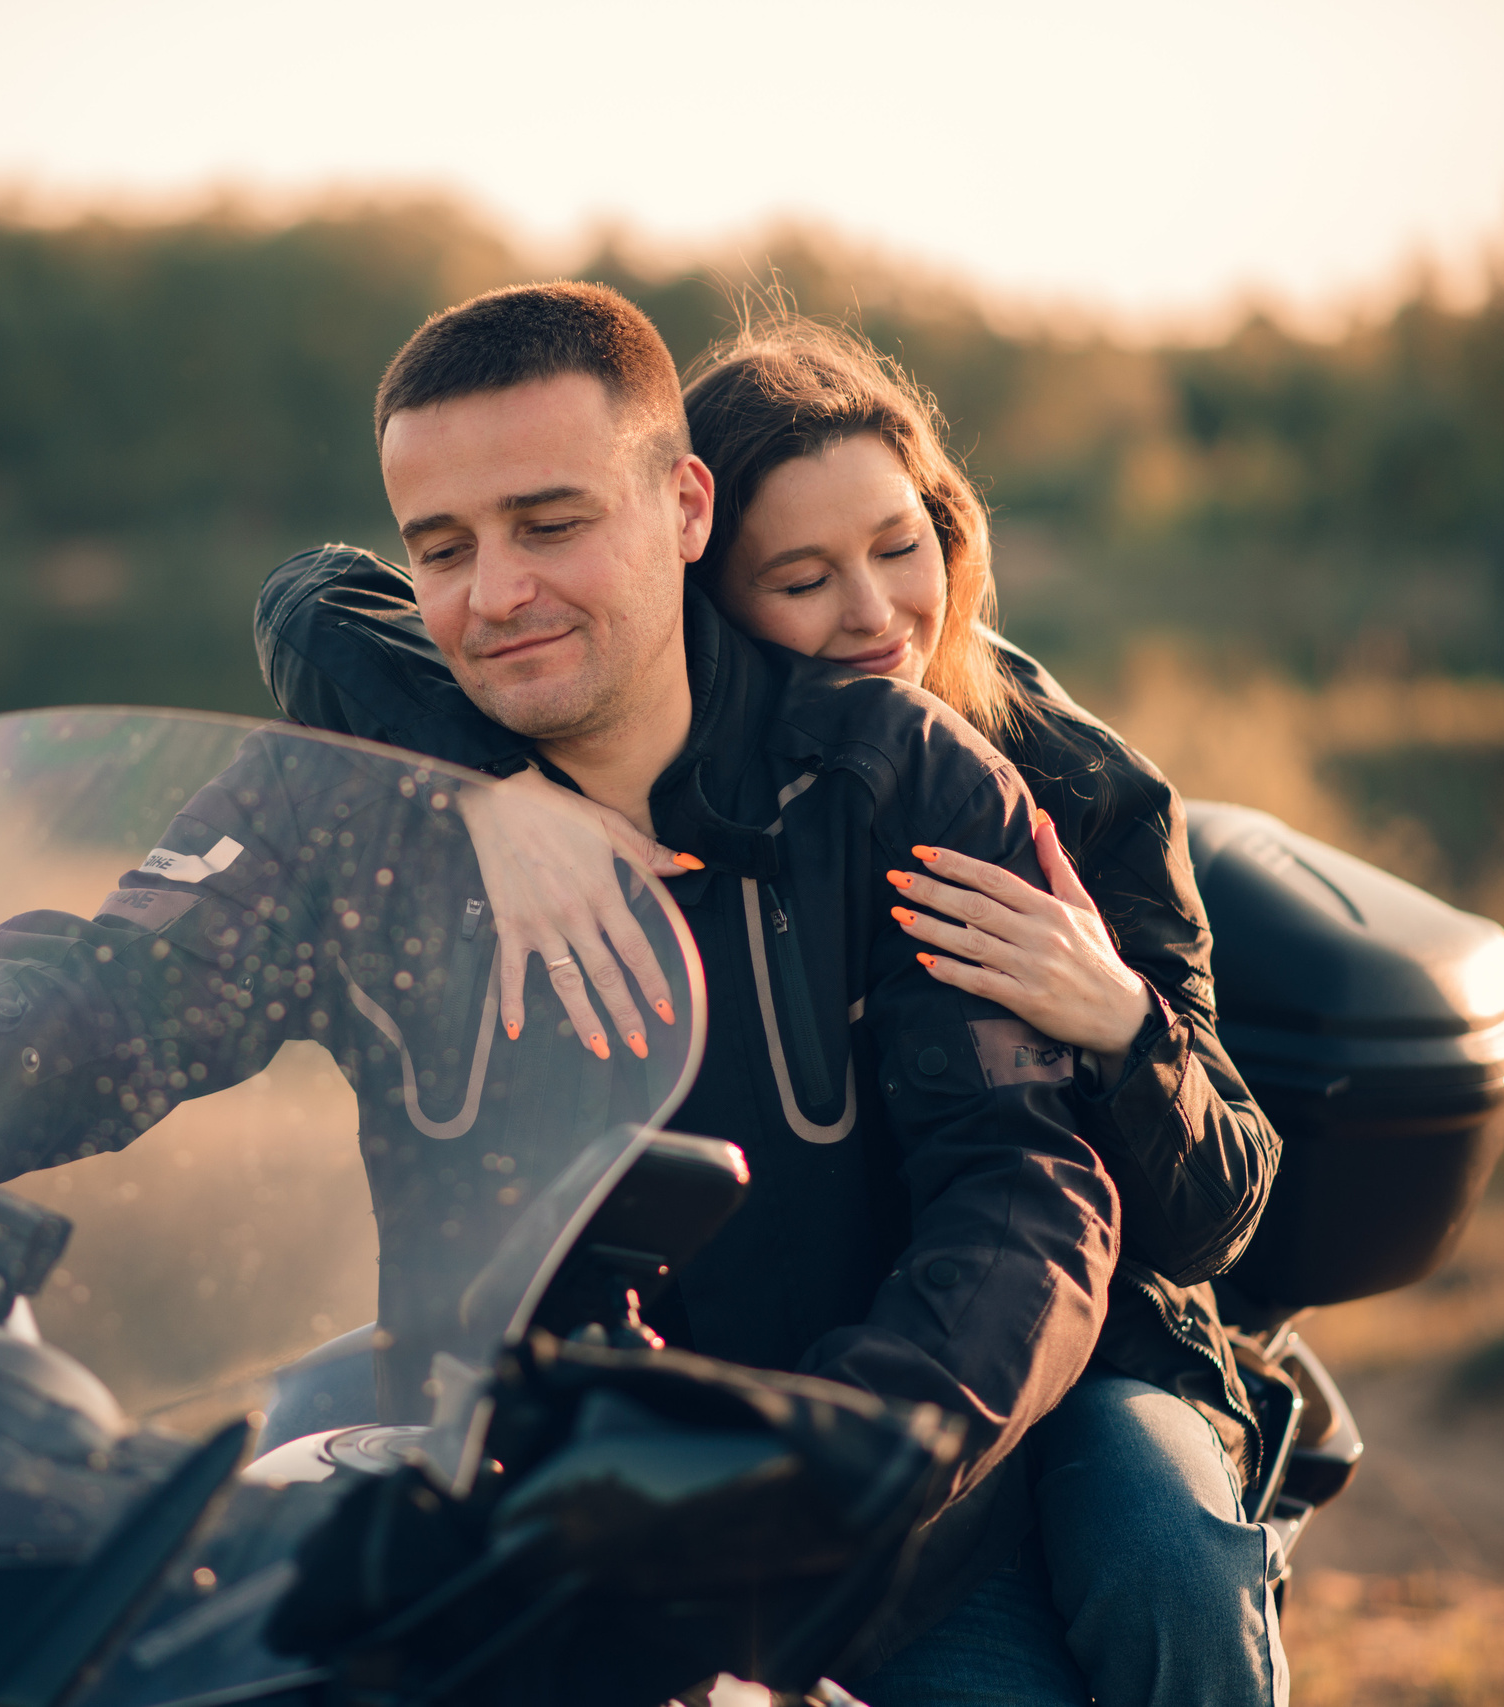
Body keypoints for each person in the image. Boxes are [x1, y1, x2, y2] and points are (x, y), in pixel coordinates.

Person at [0, 282, 1120, 1694]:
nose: (494, 594)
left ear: (685, 504)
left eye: (548, 523)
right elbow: (98, 1000)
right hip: (475, 1535)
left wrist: (827, 1462)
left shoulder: (896, 781)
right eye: (442, 546)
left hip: (863, 1556)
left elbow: (1024, 1199)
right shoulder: (355, 807)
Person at [253, 312, 1287, 1704]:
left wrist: (1123, 1025)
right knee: (312, 1431)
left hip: (1101, 1338)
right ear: (706, 586)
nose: (872, 613)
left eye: (899, 546)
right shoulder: (714, 776)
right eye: (801, 577)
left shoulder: (1081, 786)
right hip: (847, 1317)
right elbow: (317, 600)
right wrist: (481, 781)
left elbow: (1216, 1205)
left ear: (950, 532)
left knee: (1165, 1551)